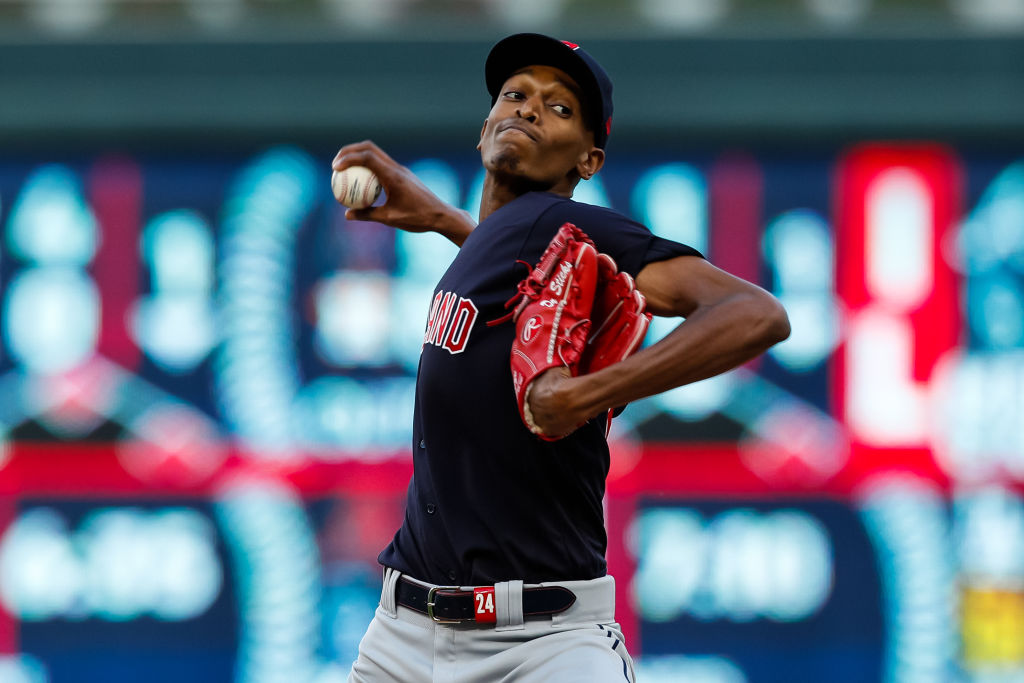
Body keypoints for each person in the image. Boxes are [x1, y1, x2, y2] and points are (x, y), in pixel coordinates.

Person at [333, 33, 790, 683]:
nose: (527, 108)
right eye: (514, 95)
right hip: (404, 634)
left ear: (589, 160)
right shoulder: (501, 247)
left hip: (542, 645)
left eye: (559, 107)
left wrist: (589, 391)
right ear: (485, 126)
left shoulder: (579, 230)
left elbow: (755, 314)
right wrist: (441, 219)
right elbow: (510, 262)